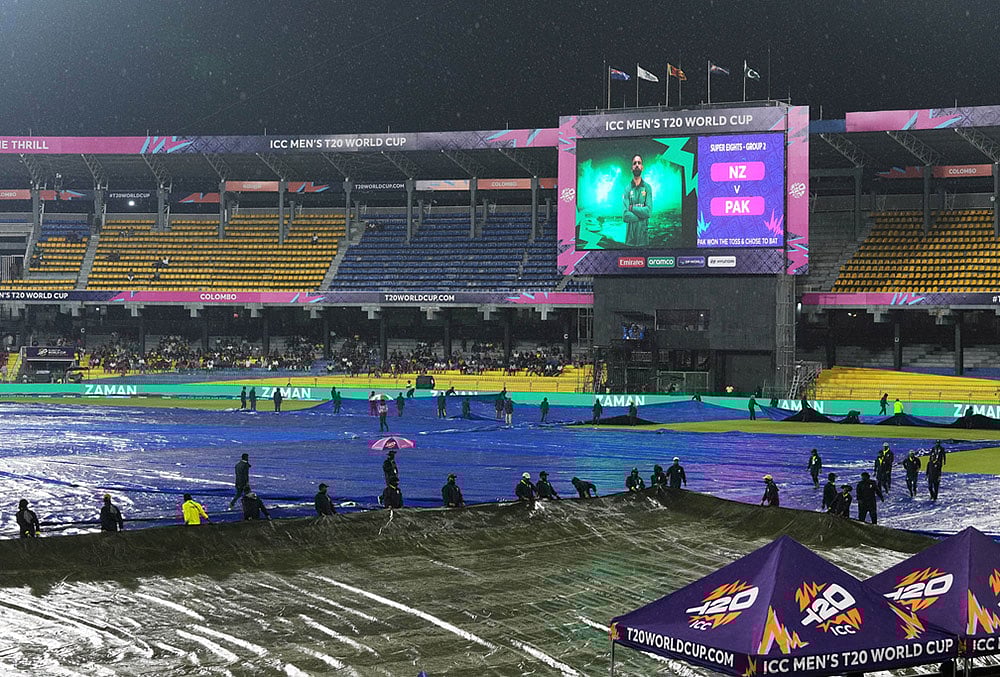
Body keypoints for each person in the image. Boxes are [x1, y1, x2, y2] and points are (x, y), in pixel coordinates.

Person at [623, 154, 652, 247]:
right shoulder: (627, 189)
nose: (637, 165)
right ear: (631, 168)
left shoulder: (647, 187)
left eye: (639, 163)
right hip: (630, 241)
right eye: (634, 163)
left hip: (643, 240)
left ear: (642, 167)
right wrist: (642, 216)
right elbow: (625, 216)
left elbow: (648, 212)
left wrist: (632, 208)